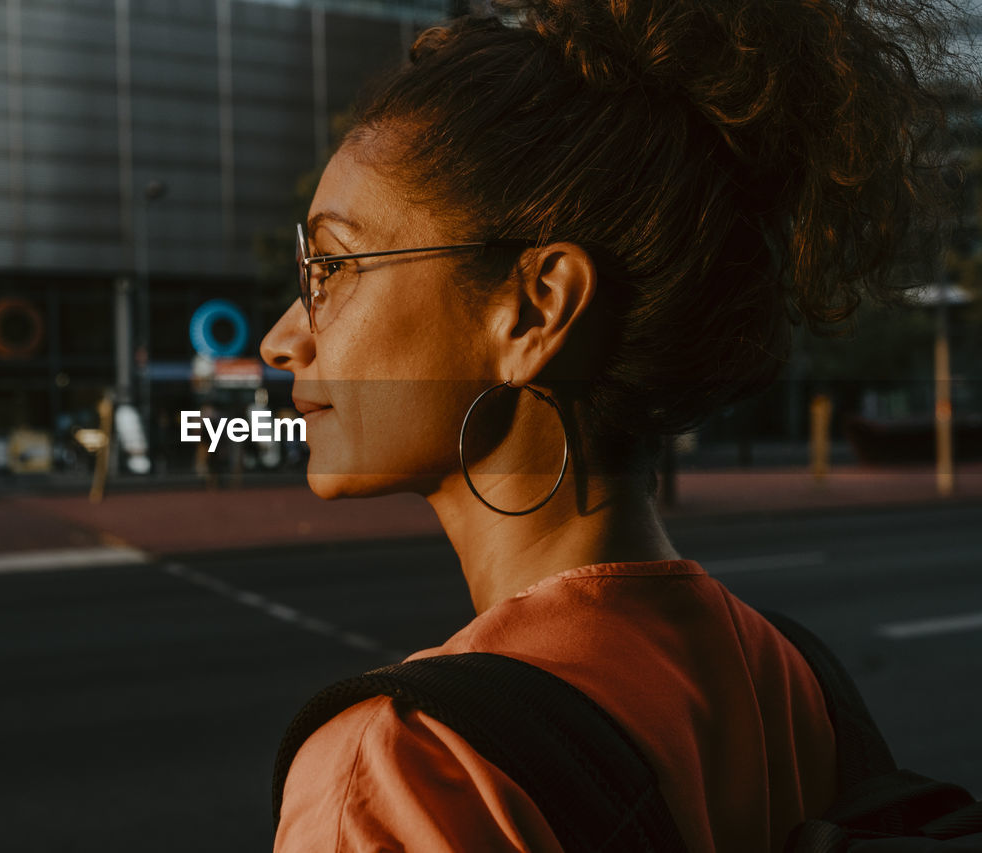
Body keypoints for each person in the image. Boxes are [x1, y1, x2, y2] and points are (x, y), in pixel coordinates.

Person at [258, 1, 969, 850]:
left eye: (331, 265)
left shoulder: (405, 768)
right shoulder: (796, 680)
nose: (283, 337)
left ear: (535, 308)